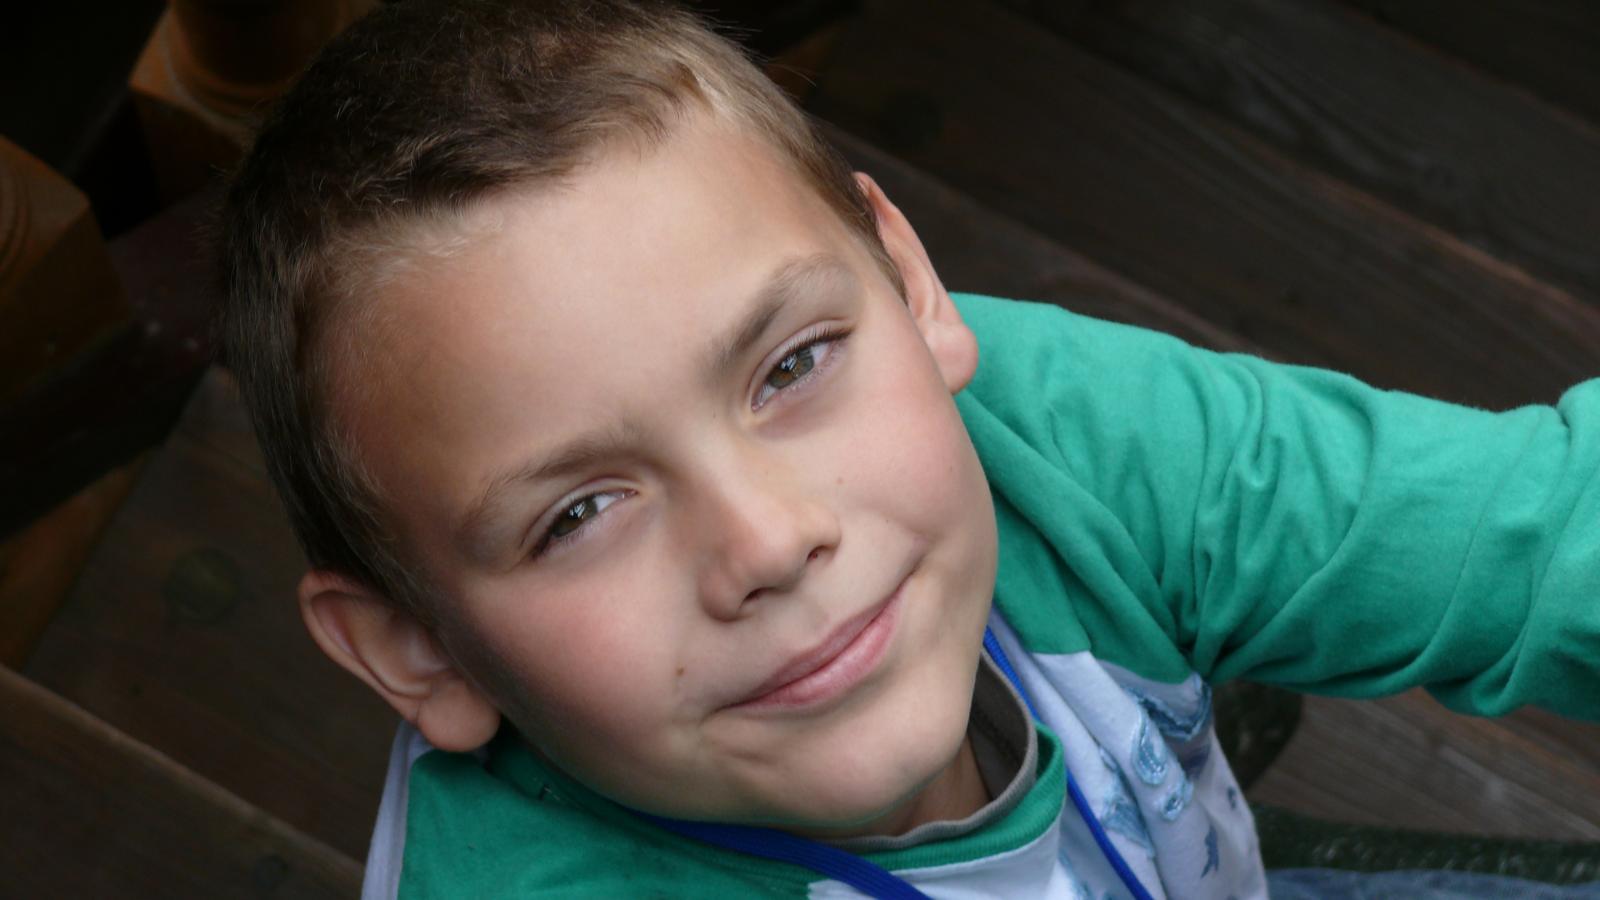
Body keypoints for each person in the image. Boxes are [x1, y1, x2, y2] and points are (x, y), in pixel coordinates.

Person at [215, 0, 1600, 897]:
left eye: (793, 366)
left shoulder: (1041, 425)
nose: (768, 541)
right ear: (419, 650)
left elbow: (1539, 542)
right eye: (577, 512)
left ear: (911, 286)